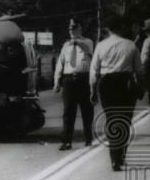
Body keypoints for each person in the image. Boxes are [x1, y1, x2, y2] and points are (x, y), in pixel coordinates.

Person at [90, 16, 143, 171]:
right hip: (125, 84)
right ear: (121, 28)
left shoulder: (101, 46)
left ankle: (114, 158)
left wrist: (93, 90)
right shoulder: (131, 46)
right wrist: (141, 87)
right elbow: (139, 71)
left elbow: (94, 71)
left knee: (111, 119)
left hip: (107, 84)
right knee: (125, 120)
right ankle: (121, 156)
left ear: (109, 29)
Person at [53, 18, 94, 151]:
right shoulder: (66, 45)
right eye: (70, 29)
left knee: (87, 111)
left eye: (74, 29)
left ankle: (88, 139)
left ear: (80, 29)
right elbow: (60, 63)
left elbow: (89, 51)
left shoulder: (88, 41)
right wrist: (57, 81)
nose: (71, 31)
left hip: (84, 79)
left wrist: (76, 42)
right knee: (68, 112)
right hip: (69, 79)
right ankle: (67, 141)